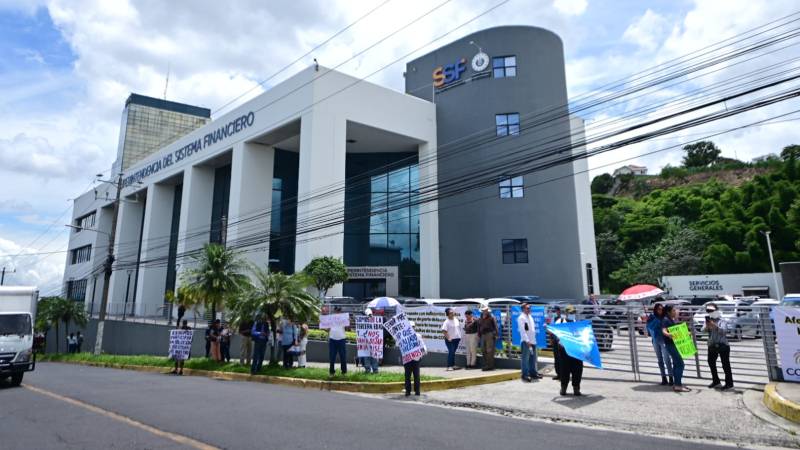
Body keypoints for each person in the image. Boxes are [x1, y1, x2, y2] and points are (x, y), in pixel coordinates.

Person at [556, 305, 583, 396]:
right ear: (566, 313)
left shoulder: (577, 322)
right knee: (564, 370)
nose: (572, 314)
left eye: (573, 312)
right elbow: (553, 332)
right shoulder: (560, 321)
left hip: (576, 350)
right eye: (571, 312)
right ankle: (563, 388)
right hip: (564, 350)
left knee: (577, 369)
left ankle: (576, 388)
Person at [662, 304, 690, 392]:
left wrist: (685, 334)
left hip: (673, 344)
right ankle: (678, 385)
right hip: (670, 345)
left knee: (676, 364)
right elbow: (664, 330)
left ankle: (677, 384)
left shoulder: (671, 319)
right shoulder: (666, 320)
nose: (676, 312)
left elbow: (675, 331)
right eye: (674, 310)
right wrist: (668, 334)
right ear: (668, 312)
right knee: (680, 364)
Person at [704, 307, 734, 390]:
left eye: (712, 311)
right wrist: (707, 327)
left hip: (723, 345)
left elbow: (724, 332)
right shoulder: (708, 321)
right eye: (709, 311)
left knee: (725, 365)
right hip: (712, 345)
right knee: (711, 363)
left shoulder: (722, 321)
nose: (710, 313)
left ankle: (729, 383)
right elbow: (702, 330)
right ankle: (716, 380)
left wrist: (715, 326)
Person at [647, 301, 673, 386]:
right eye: (658, 309)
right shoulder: (652, 317)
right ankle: (663, 377)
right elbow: (649, 327)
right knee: (660, 360)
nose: (660, 311)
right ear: (655, 310)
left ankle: (671, 377)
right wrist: (654, 320)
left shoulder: (665, 318)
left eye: (662, 309)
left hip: (664, 340)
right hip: (655, 340)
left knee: (667, 359)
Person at [517, 304, 541, 382]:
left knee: (532, 358)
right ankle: (525, 375)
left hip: (533, 341)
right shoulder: (521, 318)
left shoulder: (530, 317)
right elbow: (522, 331)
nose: (529, 309)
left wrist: (533, 341)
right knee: (525, 359)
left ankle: (533, 373)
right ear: (523, 309)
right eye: (527, 308)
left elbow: (532, 329)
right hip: (526, 342)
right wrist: (527, 341)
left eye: (530, 308)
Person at [404, 321, 426, 397]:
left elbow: (422, 345)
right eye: (411, 327)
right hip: (407, 359)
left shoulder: (418, 336)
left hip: (416, 359)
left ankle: (417, 391)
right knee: (407, 376)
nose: (412, 328)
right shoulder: (404, 336)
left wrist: (422, 354)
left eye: (413, 327)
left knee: (416, 375)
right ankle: (408, 391)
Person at [328, 306, 348, 376]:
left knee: (343, 356)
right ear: (334, 311)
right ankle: (331, 372)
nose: (338, 312)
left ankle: (344, 372)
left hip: (341, 339)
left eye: (339, 311)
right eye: (337, 310)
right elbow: (327, 328)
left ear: (341, 311)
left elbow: (348, 328)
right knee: (332, 357)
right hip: (332, 339)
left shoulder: (343, 318)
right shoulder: (330, 318)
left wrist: (348, 321)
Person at [478, 306, 498, 371]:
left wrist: (496, 334)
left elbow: (495, 326)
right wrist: (479, 334)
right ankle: (486, 364)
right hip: (482, 335)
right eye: (484, 310)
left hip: (489, 334)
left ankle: (489, 365)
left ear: (488, 311)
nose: (485, 311)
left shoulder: (492, 317)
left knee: (489, 350)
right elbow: (479, 326)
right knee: (483, 350)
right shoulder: (480, 317)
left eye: (486, 310)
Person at [361, 309, 379, 374]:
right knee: (368, 356)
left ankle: (373, 370)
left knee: (372, 356)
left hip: (373, 341)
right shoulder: (364, 321)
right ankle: (370, 369)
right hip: (367, 341)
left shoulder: (375, 321)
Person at [550, 306, 564, 381]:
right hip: (555, 341)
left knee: (561, 358)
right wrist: (551, 339)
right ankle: (558, 374)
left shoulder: (563, 319)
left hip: (561, 342)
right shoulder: (553, 318)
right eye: (553, 311)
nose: (554, 313)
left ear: (559, 311)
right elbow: (551, 329)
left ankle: (563, 374)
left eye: (555, 311)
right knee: (556, 358)